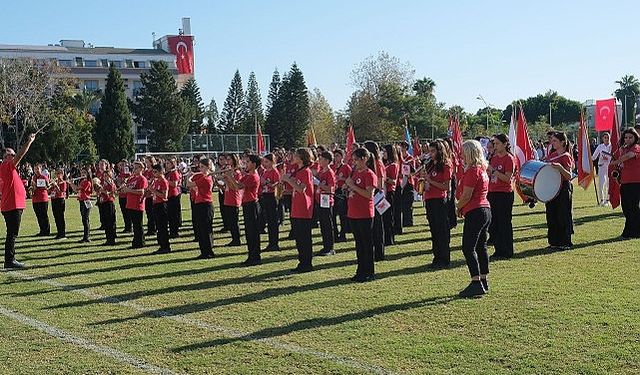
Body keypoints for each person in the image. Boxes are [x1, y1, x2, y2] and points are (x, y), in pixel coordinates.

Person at [456, 140, 492, 297]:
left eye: (463, 152)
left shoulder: (472, 171)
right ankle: (483, 279)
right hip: (484, 209)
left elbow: (466, 195)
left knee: (468, 247)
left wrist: (457, 207)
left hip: (476, 210)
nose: (461, 155)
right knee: (480, 246)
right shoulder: (482, 169)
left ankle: (476, 281)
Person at [1, 133, 36, 268]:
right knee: (12, 233)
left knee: (12, 233)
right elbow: (20, 155)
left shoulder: (7, 168)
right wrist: (29, 141)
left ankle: (10, 259)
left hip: (11, 204)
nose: (14, 155)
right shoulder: (6, 166)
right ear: (6, 157)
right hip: (12, 205)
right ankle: (9, 260)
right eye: (12, 154)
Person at [345, 147, 378, 282]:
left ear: (364, 159)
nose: (354, 163)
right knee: (359, 244)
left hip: (364, 213)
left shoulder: (369, 174)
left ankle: (369, 271)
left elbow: (368, 194)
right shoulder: (355, 173)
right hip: (353, 212)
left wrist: (352, 186)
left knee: (366, 243)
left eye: (356, 160)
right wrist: (347, 187)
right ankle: (360, 270)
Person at [281, 148, 314, 273]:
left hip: (304, 208)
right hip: (297, 207)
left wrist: (288, 179)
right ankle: (302, 262)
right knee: (299, 238)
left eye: (295, 155)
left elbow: (301, 189)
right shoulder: (299, 171)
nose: (293, 157)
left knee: (304, 238)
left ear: (301, 158)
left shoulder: (306, 171)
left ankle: (307, 263)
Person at [421, 139, 453, 269]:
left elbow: (446, 187)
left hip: (439, 200)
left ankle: (444, 258)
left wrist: (430, 180)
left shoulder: (446, 165)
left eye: (433, 151)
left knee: (442, 231)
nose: (431, 153)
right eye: (430, 151)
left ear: (439, 151)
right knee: (434, 230)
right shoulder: (430, 165)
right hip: (429, 199)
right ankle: (437, 257)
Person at [226, 154, 262, 265]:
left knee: (253, 232)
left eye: (247, 162)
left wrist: (230, 176)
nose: (245, 164)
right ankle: (251, 255)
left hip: (252, 205)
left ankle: (255, 257)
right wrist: (228, 178)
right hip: (246, 204)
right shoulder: (246, 175)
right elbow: (234, 187)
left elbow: (238, 186)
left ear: (254, 164)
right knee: (248, 232)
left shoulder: (253, 176)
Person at [487, 134, 516, 260]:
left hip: (504, 194)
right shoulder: (493, 158)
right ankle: (498, 249)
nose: (495, 146)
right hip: (492, 192)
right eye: (495, 144)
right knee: (495, 223)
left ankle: (507, 250)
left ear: (505, 144)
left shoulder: (509, 158)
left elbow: (507, 178)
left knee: (504, 223)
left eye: (498, 143)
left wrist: (493, 171)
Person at [545, 132, 575, 250]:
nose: (552, 143)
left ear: (563, 142)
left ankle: (565, 241)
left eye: (555, 141)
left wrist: (560, 168)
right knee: (551, 214)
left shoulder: (566, 156)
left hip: (563, 187)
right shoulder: (551, 155)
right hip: (551, 188)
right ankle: (554, 241)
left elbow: (569, 176)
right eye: (552, 140)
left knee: (562, 214)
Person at [610, 128, 640, 239]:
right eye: (626, 137)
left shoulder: (636, 148)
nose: (627, 139)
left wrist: (616, 161)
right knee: (626, 208)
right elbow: (617, 157)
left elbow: (629, 156)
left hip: (636, 182)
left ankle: (631, 232)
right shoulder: (622, 149)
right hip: (625, 182)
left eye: (630, 137)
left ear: (635, 138)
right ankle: (632, 231)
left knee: (633, 207)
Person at [187, 157, 215, 259]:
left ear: (208, 167)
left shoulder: (206, 178)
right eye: (200, 167)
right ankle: (204, 251)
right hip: (200, 203)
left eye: (202, 167)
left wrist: (189, 177)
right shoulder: (203, 177)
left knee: (205, 229)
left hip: (205, 205)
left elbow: (189, 184)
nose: (200, 169)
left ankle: (207, 252)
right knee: (202, 229)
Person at [364, 141, 386, 261]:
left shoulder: (378, 163)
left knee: (378, 224)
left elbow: (380, 183)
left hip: (377, 195)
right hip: (371, 194)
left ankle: (379, 252)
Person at [121, 161, 148, 249]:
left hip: (137, 204)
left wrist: (129, 190)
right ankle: (136, 241)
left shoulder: (142, 179)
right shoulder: (131, 178)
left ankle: (140, 242)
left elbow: (141, 191)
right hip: (130, 203)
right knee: (134, 224)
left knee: (138, 224)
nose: (134, 169)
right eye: (134, 167)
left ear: (141, 169)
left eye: (136, 168)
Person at [315, 151, 336, 256]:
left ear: (327, 161)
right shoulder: (321, 172)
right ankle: (325, 246)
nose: (319, 161)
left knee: (327, 224)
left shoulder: (329, 172)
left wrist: (318, 183)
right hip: (320, 200)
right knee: (323, 224)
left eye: (321, 159)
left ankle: (330, 247)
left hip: (327, 200)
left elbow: (331, 189)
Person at [259, 154, 281, 252]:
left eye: (267, 162)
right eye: (264, 162)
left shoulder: (274, 171)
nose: (265, 164)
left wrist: (266, 183)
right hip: (265, 195)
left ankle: (274, 243)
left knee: (273, 221)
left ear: (272, 162)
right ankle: (271, 242)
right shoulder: (265, 172)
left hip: (272, 196)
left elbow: (276, 185)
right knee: (268, 220)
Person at [149, 163, 171, 254]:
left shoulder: (163, 181)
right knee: (159, 226)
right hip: (156, 204)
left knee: (162, 226)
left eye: (156, 172)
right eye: (153, 172)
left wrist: (153, 190)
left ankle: (165, 246)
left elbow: (164, 195)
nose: (154, 174)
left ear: (161, 172)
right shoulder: (156, 181)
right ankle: (161, 245)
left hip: (162, 205)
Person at [68, 167, 93, 243]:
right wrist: (71, 183)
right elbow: (76, 190)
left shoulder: (87, 182)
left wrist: (71, 183)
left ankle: (86, 237)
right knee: (84, 219)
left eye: (84, 172)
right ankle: (86, 236)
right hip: (81, 201)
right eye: (82, 172)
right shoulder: (82, 181)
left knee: (85, 219)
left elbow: (76, 189)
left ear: (88, 174)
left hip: (86, 201)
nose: (82, 174)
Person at [222, 154, 243, 246]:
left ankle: (237, 239)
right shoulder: (229, 171)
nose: (227, 161)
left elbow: (235, 187)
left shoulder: (237, 172)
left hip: (234, 198)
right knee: (230, 221)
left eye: (229, 159)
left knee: (234, 221)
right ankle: (234, 238)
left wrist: (228, 177)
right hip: (227, 197)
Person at [332, 149, 351, 242]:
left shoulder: (346, 167)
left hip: (342, 191)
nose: (336, 158)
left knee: (342, 214)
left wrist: (342, 179)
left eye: (338, 156)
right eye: (334, 156)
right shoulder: (332, 167)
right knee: (333, 214)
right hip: (333, 191)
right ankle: (334, 234)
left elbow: (351, 178)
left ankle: (343, 234)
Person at [382, 144, 399, 246]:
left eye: (384, 152)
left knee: (389, 216)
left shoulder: (393, 165)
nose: (383, 154)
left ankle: (389, 238)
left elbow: (393, 181)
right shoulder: (385, 164)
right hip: (384, 192)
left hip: (389, 192)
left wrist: (385, 178)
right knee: (384, 217)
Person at [30, 163, 51, 236]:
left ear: (41, 169)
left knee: (44, 216)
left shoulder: (44, 177)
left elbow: (48, 187)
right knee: (38, 216)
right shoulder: (33, 177)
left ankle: (46, 231)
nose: (36, 170)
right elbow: (33, 187)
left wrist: (39, 186)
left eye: (37, 169)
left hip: (42, 199)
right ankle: (42, 230)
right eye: (35, 169)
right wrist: (32, 188)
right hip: (35, 199)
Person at [591, 132, 612, 206]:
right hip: (602, 166)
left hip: (610, 166)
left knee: (609, 184)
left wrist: (609, 158)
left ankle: (608, 200)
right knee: (601, 183)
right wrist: (588, 158)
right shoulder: (600, 146)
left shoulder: (612, 146)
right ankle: (602, 200)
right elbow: (594, 157)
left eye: (608, 137)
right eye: (605, 137)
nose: (606, 139)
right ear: (602, 138)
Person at [98, 168, 117, 246]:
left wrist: (102, 191)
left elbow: (110, 194)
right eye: (104, 176)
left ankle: (111, 239)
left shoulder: (111, 184)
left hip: (109, 203)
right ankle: (108, 238)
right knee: (105, 221)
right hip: (103, 202)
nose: (105, 177)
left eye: (107, 176)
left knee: (110, 222)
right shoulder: (104, 183)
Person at [165, 157, 182, 238]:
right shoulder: (167, 173)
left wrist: (165, 180)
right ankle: (171, 231)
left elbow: (174, 184)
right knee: (169, 215)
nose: (166, 165)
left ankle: (174, 232)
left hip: (173, 195)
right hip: (169, 195)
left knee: (173, 215)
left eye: (168, 163)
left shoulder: (174, 172)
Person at [50, 168, 67, 239]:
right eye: (56, 174)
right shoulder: (55, 182)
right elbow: (49, 190)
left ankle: (62, 233)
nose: (57, 175)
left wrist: (56, 186)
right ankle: (58, 232)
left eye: (58, 174)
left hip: (60, 200)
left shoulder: (63, 183)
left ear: (62, 174)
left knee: (60, 217)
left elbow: (61, 192)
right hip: (53, 199)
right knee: (56, 217)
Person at [115, 160, 132, 233]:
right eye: (121, 165)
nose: (122, 166)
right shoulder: (119, 175)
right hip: (121, 195)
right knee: (124, 211)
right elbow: (118, 184)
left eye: (124, 165)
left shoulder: (129, 174)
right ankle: (126, 226)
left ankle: (129, 227)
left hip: (127, 195)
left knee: (128, 212)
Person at [143, 156, 157, 236]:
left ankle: (153, 229)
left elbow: (152, 182)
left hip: (152, 195)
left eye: (147, 162)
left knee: (152, 213)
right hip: (146, 195)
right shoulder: (145, 172)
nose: (146, 163)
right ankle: (150, 228)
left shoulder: (153, 171)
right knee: (148, 213)